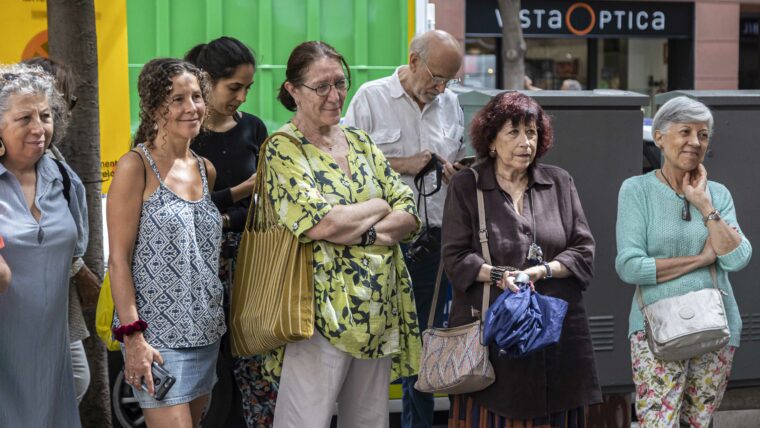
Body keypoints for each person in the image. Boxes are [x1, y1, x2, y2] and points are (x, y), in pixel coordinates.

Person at [268, 41, 421, 428]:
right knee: (305, 420)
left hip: (379, 306)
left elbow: (408, 208)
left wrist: (362, 228)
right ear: (293, 90)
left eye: (340, 83)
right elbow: (323, 224)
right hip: (318, 310)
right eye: (321, 86)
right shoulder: (283, 149)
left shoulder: (360, 141)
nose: (335, 96)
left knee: (369, 420)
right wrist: (379, 205)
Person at [442, 91, 601, 426]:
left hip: (557, 336)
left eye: (531, 132)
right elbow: (455, 258)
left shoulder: (558, 181)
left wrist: (541, 271)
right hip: (493, 336)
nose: (525, 142)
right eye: (513, 132)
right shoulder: (467, 185)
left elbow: (583, 250)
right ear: (491, 140)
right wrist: (499, 275)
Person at [344, 29, 464, 428]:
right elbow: (345, 165)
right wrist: (404, 164)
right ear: (414, 61)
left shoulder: (450, 105)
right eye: (437, 77)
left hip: (435, 240)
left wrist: (456, 173)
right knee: (375, 338)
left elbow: (457, 155)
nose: (441, 88)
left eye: (449, 81)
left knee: (425, 341)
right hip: (381, 243)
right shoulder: (371, 98)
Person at [615, 96, 752, 427]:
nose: (695, 142)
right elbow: (630, 266)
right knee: (658, 423)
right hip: (656, 330)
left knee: (698, 423)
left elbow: (737, 258)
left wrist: (704, 205)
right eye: (685, 132)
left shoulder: (717, 194)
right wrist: (701, 259)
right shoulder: (637, 190)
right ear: (659, 137)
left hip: (715, 327)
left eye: (703, 135)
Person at [107, 58, 225, 428]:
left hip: (206, 332)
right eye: (177, 99)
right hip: (156, 340)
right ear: (155, 107)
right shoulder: (136, 166)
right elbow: (119, 260)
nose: (192, 107)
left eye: (196, 97)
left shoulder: (205, 169)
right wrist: (133, 339)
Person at [185, 36, 273, 427]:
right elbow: (183, 206)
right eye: (234, 87)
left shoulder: (253, 128)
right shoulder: (187, 132)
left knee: (256, 364)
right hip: (199, 264)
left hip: (251, 261)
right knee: (205, 363)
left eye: (247, 88)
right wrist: (239, 192)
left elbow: (267, 200)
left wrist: (225, 216)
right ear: (207, 81)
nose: (242, 97)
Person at [0, 63, 83, 427]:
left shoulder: (63, 178)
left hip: (51, 349)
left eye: (45, 116)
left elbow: (76, 248)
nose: (39, 128)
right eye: (24, 118)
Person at [22, 55, 100, 405]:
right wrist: (79, 270)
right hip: (30, 295)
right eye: (66, 100)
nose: (69, 110)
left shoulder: (52, 160)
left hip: (52, 293)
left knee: (70, 380)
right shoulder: (23, 165)